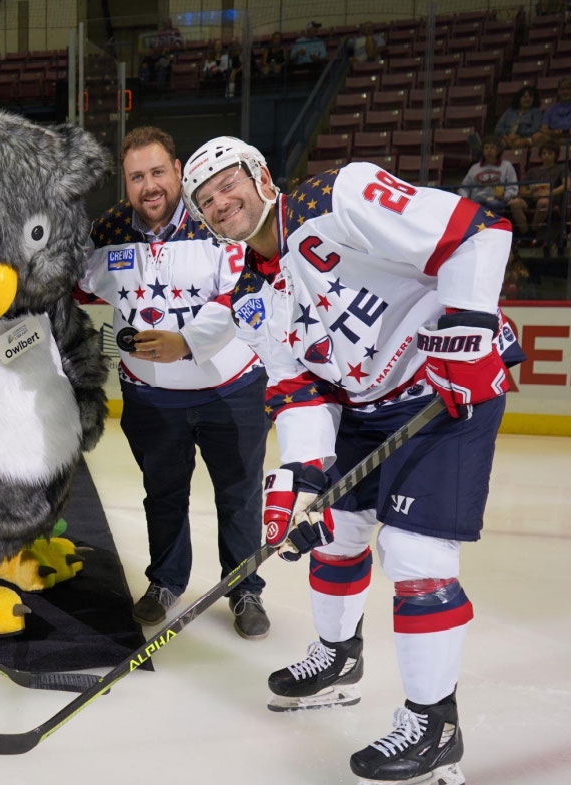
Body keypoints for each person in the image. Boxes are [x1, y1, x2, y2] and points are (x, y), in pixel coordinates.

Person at [181, 136, 524, 785]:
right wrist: (299, 477)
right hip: (364, 407)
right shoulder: (254, 296)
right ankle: (339, 658)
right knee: (336, 532)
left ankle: (435, 724)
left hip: (444, 389)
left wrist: (471, 324)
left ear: (260, 176)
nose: (221, 202)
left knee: (417, 556)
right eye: (206, 200)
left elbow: (477, 231)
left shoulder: (342, 197)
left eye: (229, 183)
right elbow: (301, 390)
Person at [79, 126, 270, 637]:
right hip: (151, 399)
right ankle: (165, 581)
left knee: (238, 496)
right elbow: (67, 279)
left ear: (178, 171)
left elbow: (242, 293)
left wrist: (186, 341)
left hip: (231, 390)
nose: (149, 186)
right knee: (162, 494)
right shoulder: (110, 230)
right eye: (137, 177)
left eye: (158, 172)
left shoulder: (215, 216)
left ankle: (245, 588)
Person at [458, 135, 527, 235]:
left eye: (492, 148)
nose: (489, 151)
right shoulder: (475, 168)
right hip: (476, 200)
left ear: (498, 150)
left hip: (497, 200)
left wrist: (504, 196)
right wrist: (465, 199)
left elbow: (513, 187)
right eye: (486, 148)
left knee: (493, 204)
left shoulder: (506, 166)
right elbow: (464, 187)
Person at [520, 141, 568, 245]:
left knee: (543, 202)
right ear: (540, 155)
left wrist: (549, 193)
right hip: (532, 198)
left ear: (555, 155)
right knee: (514, 203)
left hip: (551, 199)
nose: (546, 156)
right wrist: (531, 193)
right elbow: (522, 190)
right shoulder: (532, 171)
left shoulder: (561, 168)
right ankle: (524, 233)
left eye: (550, 153)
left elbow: (567, 185)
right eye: (544, 153)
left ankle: (533, 231)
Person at [494, 85, 545, 151]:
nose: (528, 99)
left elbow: (535, 129)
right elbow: (498, 127)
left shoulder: (536, 112)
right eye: (525, 97)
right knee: (498, 145)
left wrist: (518, 135)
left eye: (530, 97)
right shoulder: (509, 111)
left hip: (526, 138)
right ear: (519, 98)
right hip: (507, 137)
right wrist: (506, 137)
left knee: (518, 143)